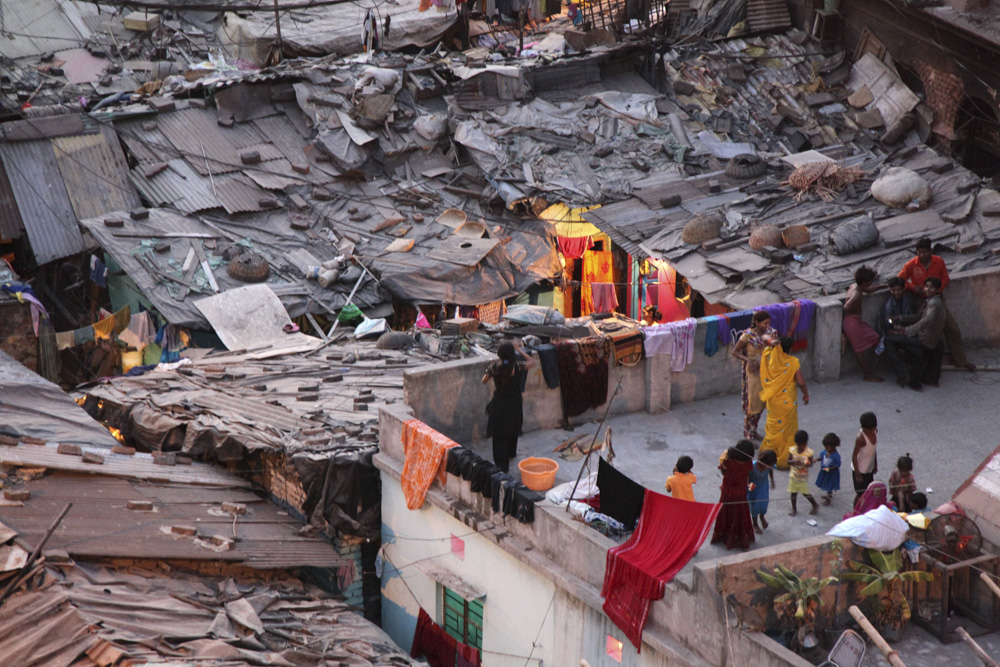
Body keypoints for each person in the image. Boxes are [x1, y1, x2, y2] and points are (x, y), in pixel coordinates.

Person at [898, 237, 975, 371]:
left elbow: (945, 278)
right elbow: (900, 280)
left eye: (925, 252)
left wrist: (936, 290)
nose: (922, 255)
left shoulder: (938, 261)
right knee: (924, 332)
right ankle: (921, 363)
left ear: (930, 251)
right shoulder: (911, 264)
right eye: (919, 252)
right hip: (921, 301)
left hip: (937, 300)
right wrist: (912, 287)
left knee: (952, 328)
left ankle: (961, 360)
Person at [885, 277, 946, 391]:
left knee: (887, 340)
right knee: (937, 346)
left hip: (924, 339)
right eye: (926, 286)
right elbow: (919, 316)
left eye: (931, 287)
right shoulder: (935, 301)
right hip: (932, 339)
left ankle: (904, 375)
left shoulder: (933, 303)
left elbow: (926, 320)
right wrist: (900, 318)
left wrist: (907, 330)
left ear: (938, 290)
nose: (927, 289)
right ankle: (931, 379)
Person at [759, 337, 809, 469]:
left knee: (773, 426)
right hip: (787, 402)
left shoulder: (768, 356)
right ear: (791, 348)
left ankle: (769, 455)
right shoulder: (793, 362)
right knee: (788, 429)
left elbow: (764, 337)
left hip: (773, 401)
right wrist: (806, 394)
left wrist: (773, 342)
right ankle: (784, 459)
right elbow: (801, 382)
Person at [482, 341, 532, 473]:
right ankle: (511, 453)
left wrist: (492, 372)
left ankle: (501, 465)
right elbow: (532, 362)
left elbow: (484, 380)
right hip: (514, 402)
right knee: (512, 427)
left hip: (500, 402)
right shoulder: (517, 366)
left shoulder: (494, 367)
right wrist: (519, 350)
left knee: (499, 433)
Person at [732, 311, 778, 441]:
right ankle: (748, 435)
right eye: (764, 323)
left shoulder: (771, 333)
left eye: (768, 323)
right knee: (752, 405)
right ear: (757, 323)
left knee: (762, 404)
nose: (767, 326)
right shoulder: (748, 335)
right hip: (753, 374)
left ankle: (754, 430)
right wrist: (747, 359)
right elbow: (734, 352)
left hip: (767, 372)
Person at [711, 439, 756, 550]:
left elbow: (723, 472)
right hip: (740, 492)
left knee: (725, 512)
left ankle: (723, 535)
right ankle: (739, 537)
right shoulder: (748, 463)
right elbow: (748, 474)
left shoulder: (729, 461)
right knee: (739, 514)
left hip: (727, 491)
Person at [842, 266, 884, 382]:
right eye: (870, 281)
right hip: (853, 323)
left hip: (854, 321)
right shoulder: (857, 293)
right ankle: (867, 375)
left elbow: (869, 290)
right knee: (859, 351)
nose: (871, 283)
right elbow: (846, 306)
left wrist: (883, 286)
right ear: (865, 282)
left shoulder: (856, 287)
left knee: (874, 337)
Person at [788, 431, 819, 516]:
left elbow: (811, 464)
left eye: (803, 445)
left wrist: (807, 463)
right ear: (796, 444)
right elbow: (788, 461)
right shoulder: (792, 450)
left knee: (805, 493)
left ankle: (815, 505)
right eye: (800, 445)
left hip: (802, 477)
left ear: (806, 443)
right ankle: (794, 509)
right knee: (793, 493)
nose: (802, 447)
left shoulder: (808, 452)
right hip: (793, 476)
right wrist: (793, 462)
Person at [851, 412, 878, 505]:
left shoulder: (875, 431)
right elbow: (854, 456)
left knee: (869, 492)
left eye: (874, 428)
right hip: (860, 470)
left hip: (869, 468)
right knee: (860, 494)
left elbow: (874, 449)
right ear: (863, 427)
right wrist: (857, 474)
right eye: (870, 429)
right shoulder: (861, 438)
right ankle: (855, 512)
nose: (872, 431)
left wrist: (875, 464)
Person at [748, 450, 777, 534]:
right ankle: (755, 523)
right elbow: (747, 475)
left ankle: (762, 516)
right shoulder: (753, 466)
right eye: (768, 465)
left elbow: (771, 470)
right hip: (754, 489)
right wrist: (749, 484)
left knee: (764, 504)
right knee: (755, 506)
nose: (769, 467)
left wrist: (772, 480)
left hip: (764, 487)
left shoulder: (769, 466)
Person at [815, 433, 842, 506]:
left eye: (830, 447)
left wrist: (830, 468)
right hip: (824, 471)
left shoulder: (836, 455)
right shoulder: (824, 452)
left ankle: (828, 499)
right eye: (826, 447)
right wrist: (816, 459)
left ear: (834, 446)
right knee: (826, 483)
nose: (828, 448)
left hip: (831, 473)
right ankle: (828, 495)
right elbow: (821, 458)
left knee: (829, 485)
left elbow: (837, 464)